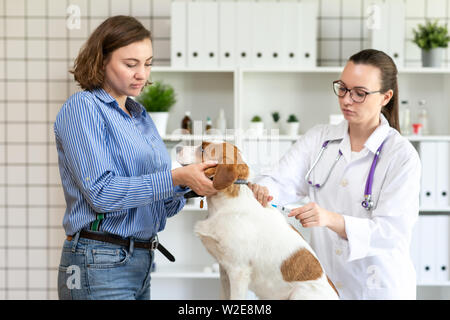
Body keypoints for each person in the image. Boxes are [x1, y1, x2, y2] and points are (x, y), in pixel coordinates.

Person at [54, 16, 217, 300]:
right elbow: (102, 194)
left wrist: (189, 184)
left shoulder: (140, 117)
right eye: (131, 64)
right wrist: (174, 178)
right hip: (99, 261)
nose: (142, 74)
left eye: (148, 63)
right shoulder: (83, 109)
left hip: (140, 260)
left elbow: (160, 206)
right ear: (101, 61)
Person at [248, 49, 421, 300]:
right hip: (324, 289)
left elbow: (391, 233)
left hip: (378, 289)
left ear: (386, 97)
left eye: (359, 93)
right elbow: (278, 180)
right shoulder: (320, 139)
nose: (346, 100)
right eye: (342, 88)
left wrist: (330, 219)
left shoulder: (401, 156)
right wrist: (262, 189)